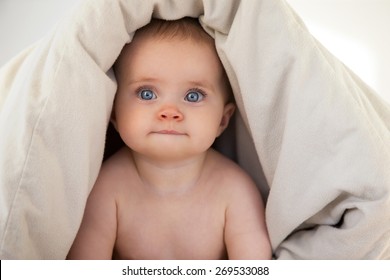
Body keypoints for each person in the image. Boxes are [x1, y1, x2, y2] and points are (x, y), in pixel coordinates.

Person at [67, 17, 271, 260]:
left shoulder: (236, 191)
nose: (170, 111)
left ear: (222, 120)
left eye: (193, 96)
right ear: (113, 113)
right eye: (146, 93)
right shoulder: (104, 190)